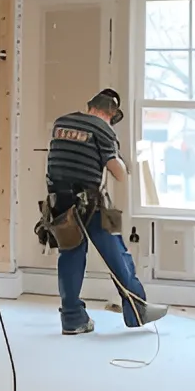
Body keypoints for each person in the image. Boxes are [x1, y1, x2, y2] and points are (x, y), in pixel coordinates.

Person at [46, 89, 167, 335]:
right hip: (89, 202)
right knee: (116, 253)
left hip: (58, 201)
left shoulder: (61, 122)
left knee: (70, 255)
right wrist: (122, 160)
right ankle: (137, 310)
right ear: (111, 114)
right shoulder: (103, 129)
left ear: (90, 105)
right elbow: (119, 173)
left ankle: (72, 319)